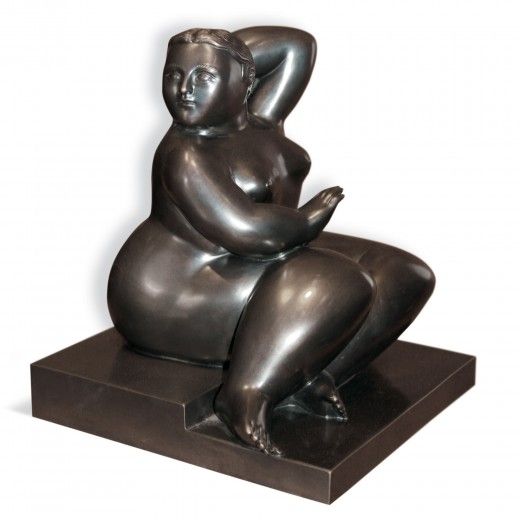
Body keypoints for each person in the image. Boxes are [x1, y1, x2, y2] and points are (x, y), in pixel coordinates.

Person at [107, 27, 435, 456]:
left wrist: (227, 51)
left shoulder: (261, 118)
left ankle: (307, 377)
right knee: (335, 282)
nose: (183, 90)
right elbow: (247, 231)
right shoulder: (185, 153)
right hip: (169, 292)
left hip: (239, 258)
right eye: (173, 75)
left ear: (244, 84)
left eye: (203, 77)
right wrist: (311, 216)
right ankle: (244, 395)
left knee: (403, 275)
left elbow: (296, 47)